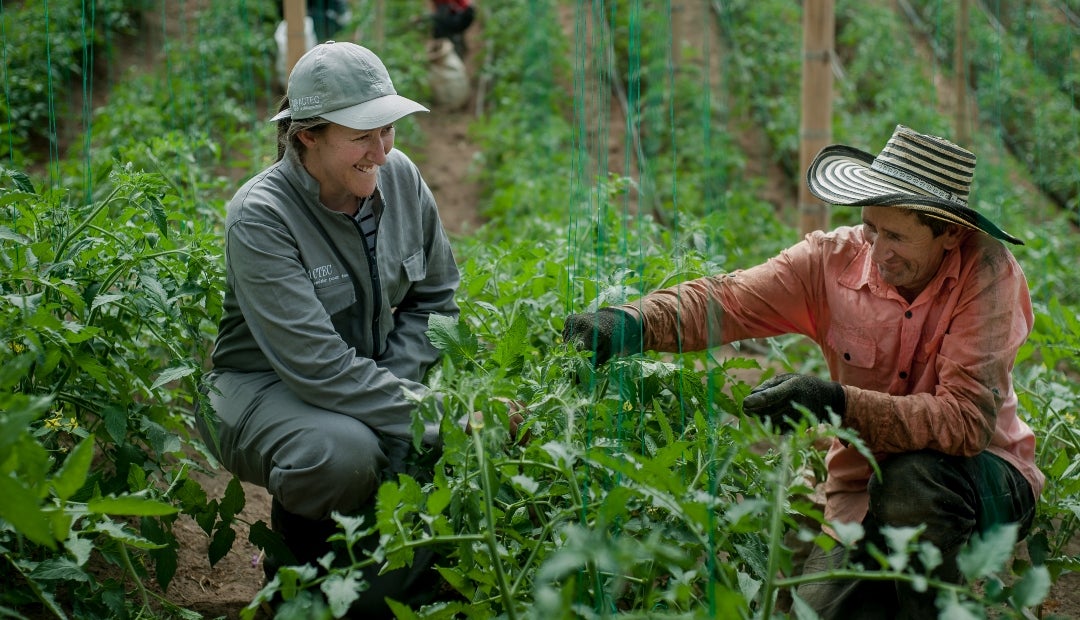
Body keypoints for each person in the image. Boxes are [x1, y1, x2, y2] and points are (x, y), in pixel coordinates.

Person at [562, 125, 1044, 619]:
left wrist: (836, 402)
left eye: (897, 235)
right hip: (862, 485)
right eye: (871, 228)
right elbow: (728, 301)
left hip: (986, 477)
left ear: (950, 234)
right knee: (815, 609)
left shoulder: (987, 274)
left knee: (912, 482)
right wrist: (629, 323)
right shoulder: (830, 260)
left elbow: (963, 424)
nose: (878, 251)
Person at [197, 41, 460, 615]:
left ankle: (379, 590)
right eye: (361, 135)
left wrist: (397, 383)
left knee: (411, 443)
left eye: (387, 129)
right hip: (263, 387)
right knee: (340, 452)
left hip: (362, 377)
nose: (381, 151)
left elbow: (435, 300)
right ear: (307, 135)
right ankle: (294, 589)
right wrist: (439, 417)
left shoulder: (401, 179)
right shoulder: (262, 215)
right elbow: (315, 366)